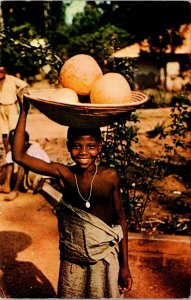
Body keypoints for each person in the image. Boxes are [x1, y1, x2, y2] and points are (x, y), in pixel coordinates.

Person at [12, 89, 133, 298]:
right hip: (73, 259)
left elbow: (121, 220)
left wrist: (125, 266)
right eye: (77, 146)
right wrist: (24, 110)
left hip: (103, 257)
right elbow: (19, 155)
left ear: (100, 147)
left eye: (91, 146)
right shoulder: (64, 174)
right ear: (69, 147)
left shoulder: (109, 177)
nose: (84, 152)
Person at [0, 129, 51, 200]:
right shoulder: (32, 146)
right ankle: (6, 185)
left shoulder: (31, 150)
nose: (14, 145)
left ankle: (15, 190)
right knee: (10, 163)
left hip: (39, 177)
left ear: (25, 142)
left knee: (21, 163)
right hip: (44, 175)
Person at [0, 66, 27, 153]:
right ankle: (7, 151)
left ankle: (15, 150)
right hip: (0, 107)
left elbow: (23, 84)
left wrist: (17, 95)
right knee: (3, 131)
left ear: (5, 72)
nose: (0, 73)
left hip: (11, 105)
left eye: (2, 71)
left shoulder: (11, 79)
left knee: (13, 129)